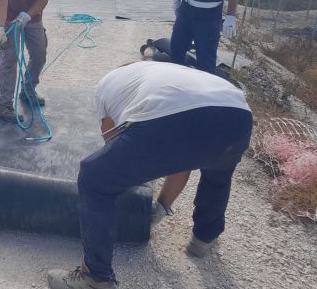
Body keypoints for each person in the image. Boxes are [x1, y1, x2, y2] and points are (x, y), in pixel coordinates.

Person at [47, 61, 252, 288]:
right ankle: (204, 238)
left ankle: (94, 278)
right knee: (218, 175)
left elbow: (111, 136)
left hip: (179, 118)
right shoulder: (166, 73)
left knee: (94, 176)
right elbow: (184, 157)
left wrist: (120, 176)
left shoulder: (106, 86)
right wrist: (161, 207)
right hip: (238, 117)